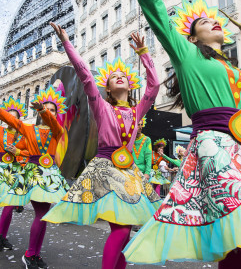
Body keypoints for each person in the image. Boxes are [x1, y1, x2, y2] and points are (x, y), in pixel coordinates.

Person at [123, 0, 241, 268]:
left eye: (217, 21)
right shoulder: (186, 54)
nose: (215, 21)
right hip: (211, 147)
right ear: (191, 37)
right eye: (205, 22)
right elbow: (150, 1)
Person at [42, 24, 161, 269]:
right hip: (106, 169)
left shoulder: (137, 110)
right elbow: (84, 73)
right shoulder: (101, 106)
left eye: (124, 76)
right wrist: (66, 41)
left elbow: (155, 86)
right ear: (106, 88)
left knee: (125, 231)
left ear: (130, 86)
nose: (120, 76)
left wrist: (144, 54)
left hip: (128, 173)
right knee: (120, 230)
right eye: (113, 77)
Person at [0, 87, 69, 269]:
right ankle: (30, 253)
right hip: (34, 173)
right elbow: (10, 119)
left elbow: (52, 122)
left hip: (49, 174)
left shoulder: (57, 130)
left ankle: (34, 254)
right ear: (37, 112)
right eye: (45, 108)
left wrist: (42, 109)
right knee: (40, 214)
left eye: (52, 109)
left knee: (43, 215)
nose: (48, 112)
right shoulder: (29, 129)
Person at [0, 97, 29, 251]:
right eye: (7, 116)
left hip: (15, 171)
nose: (10, 119)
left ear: (18, 120)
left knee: (9, 205)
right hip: (0, 170)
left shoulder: (22, 136)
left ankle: (2, 236)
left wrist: (17, 151)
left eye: (14, 117)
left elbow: (28, 153)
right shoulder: (0, 131)